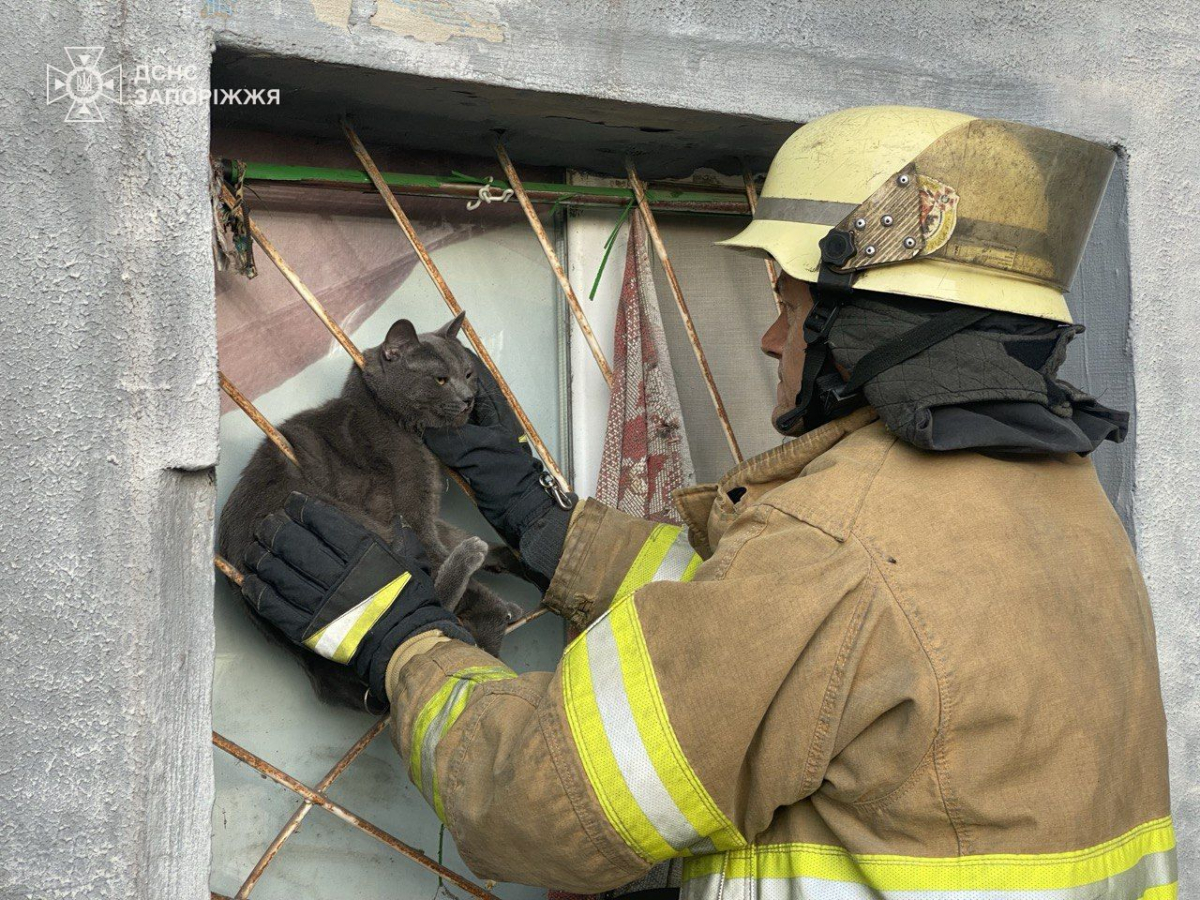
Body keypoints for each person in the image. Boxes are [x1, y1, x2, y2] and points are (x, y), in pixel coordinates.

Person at [238, 106, 1176, 900]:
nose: (771, 339)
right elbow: (804, 635)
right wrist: (551, 530)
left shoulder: (833, 545)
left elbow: (537, 803)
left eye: (794, 303)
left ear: (871, 327)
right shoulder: (1064, 507)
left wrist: (402, 638)